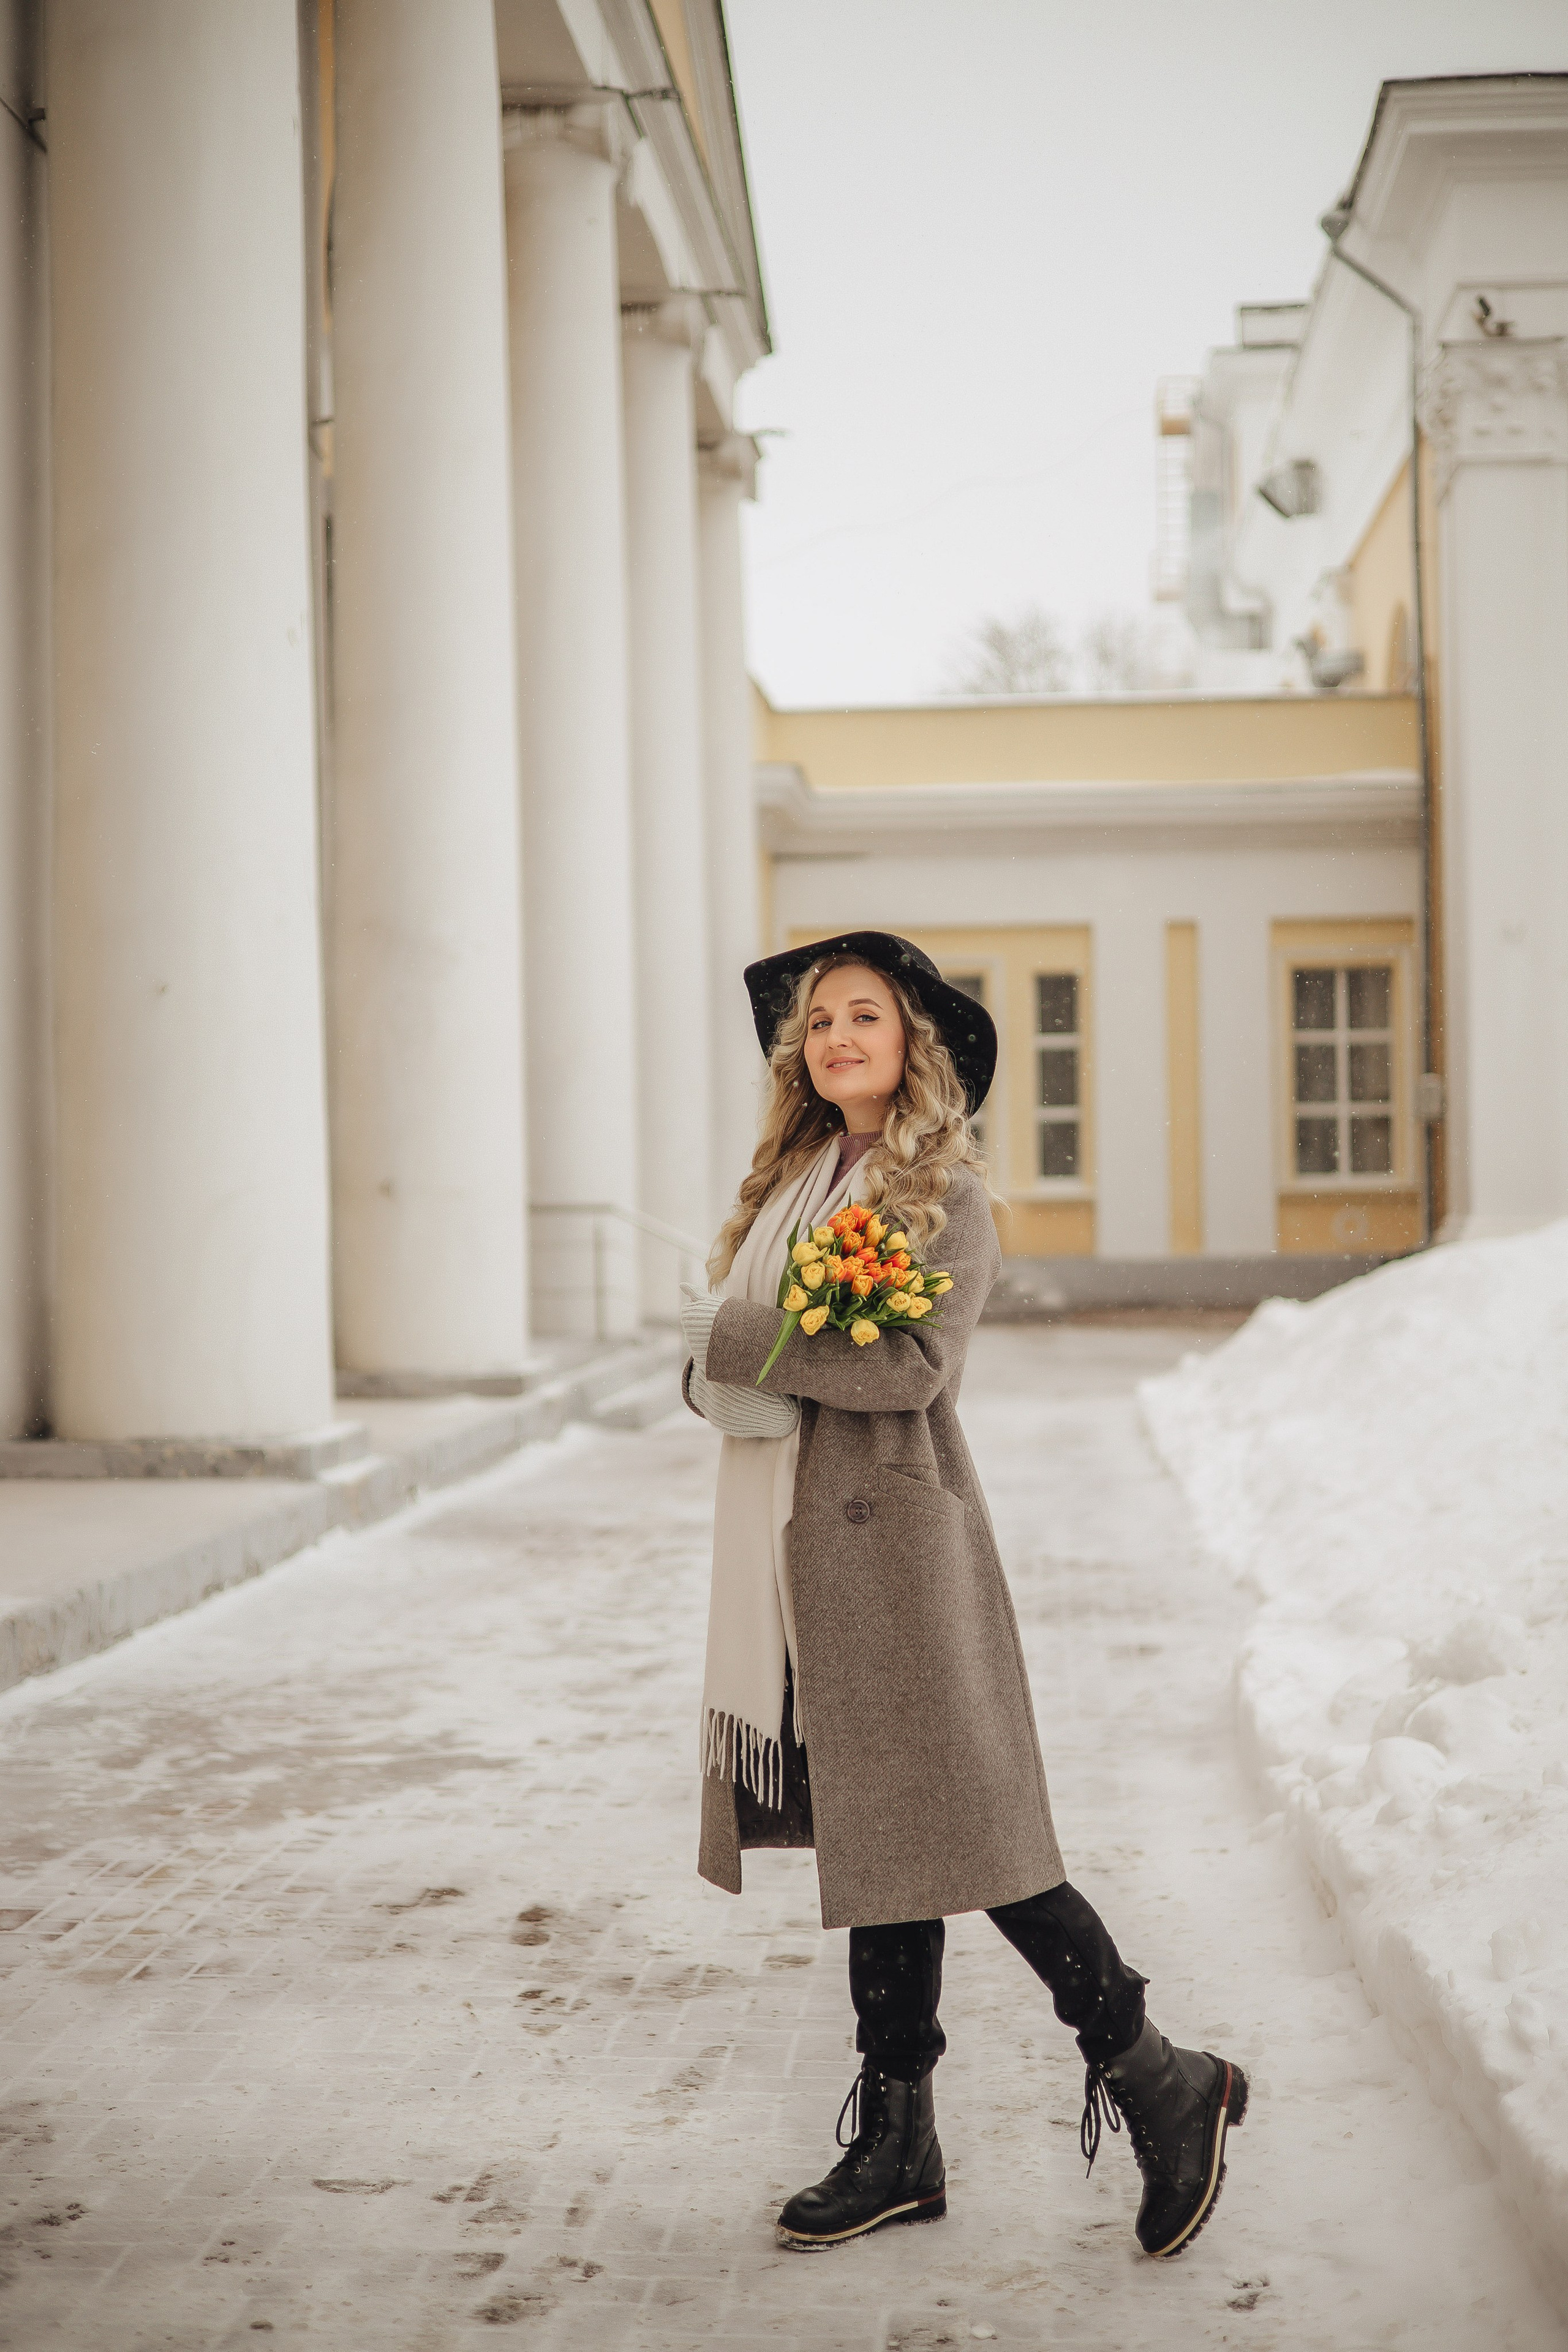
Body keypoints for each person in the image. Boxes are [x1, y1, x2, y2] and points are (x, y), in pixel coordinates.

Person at [679, 932, 1246, 2260]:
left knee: (977, 1838)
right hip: (799, 1548)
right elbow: (741, 1359)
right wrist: (720, 1363)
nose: (832, 1038)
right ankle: (898, 2140)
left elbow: (908, 1370)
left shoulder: (942, 1193)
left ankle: (1162, 2077)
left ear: (911, 1044)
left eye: (860, 1016)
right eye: (815, 1022)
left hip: (895, 1558)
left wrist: (733, 1344)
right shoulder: (799, 1182)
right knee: (887, 1842)